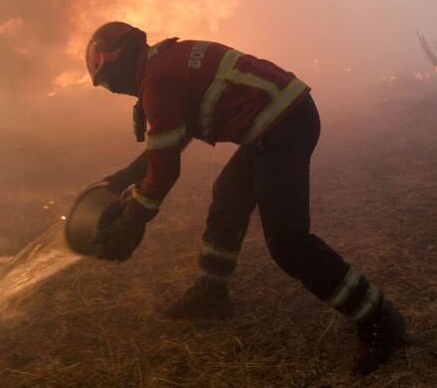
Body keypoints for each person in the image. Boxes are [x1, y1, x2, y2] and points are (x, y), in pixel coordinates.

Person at [86, 21, 406, 375]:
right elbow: (170, 141)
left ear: (116, 62)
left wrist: (132, 221)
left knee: (288, 243)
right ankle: (212, 293)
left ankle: (379, 320)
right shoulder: (166, 59)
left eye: (107, 83)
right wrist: (122, 180)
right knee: (229, 195)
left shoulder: (158, 80)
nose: (113, 91)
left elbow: (163, 171)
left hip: (281, 124)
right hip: (281, 116)